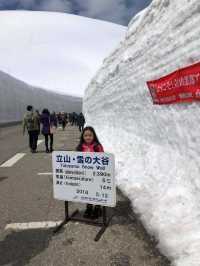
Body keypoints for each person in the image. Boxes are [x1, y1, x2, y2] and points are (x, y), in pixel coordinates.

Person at [76, 126, 104, 219]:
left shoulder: (97, 147)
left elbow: (104, 160)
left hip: (96, 174)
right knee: (88, 191)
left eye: (90, 135)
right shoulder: (80, 147)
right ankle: (89, 207)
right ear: (83, 136)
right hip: (85, 174)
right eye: (86, 135)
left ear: (94, 136)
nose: (88, 137)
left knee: (96, 191)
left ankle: (97, 207)